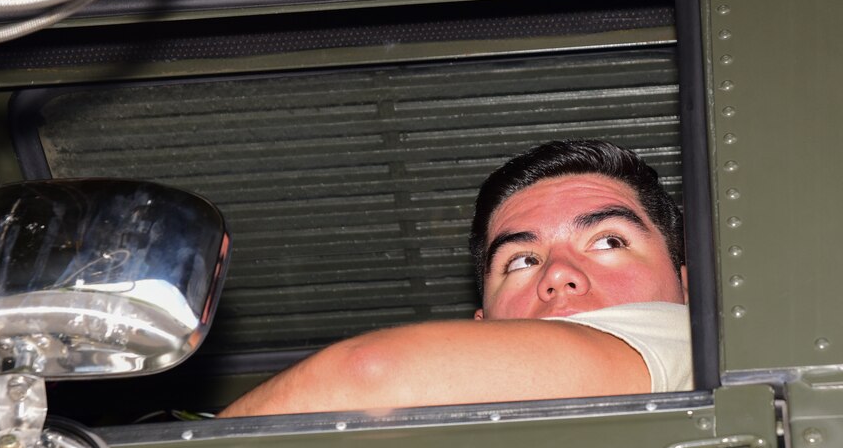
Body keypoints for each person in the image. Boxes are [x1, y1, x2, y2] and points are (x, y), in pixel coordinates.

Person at [219, 139, 692, 417]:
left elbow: (370, 372)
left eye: (609, 242)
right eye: (522, 261)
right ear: (482, 328)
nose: (559, 274)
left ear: (688, 290)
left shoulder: (684, 338)